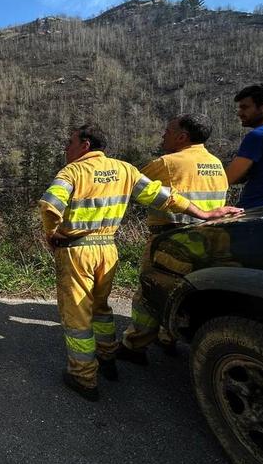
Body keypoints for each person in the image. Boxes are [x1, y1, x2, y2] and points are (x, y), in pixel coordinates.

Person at [39, 123, 241, 401]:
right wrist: (204, 214)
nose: (66, 147)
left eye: (70, 142)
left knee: (76, 315)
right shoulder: (126, 170)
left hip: (76, 251)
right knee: (100, 306)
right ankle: (107, 357)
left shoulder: (72, 171)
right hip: (108, 249)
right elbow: (166, 198)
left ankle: (83, 376)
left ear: (85, 145)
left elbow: (50, 204)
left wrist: (52, 233)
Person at [117, 114, 228, 363]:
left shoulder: (168, 163)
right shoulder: (217, 164)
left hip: (170, 238)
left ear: (182, 136)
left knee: (151, 291)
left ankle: (135, 345)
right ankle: (168, 337)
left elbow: (136, 186)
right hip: (208, 240)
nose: (163, 135)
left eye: (167, 131)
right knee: (184, 290)